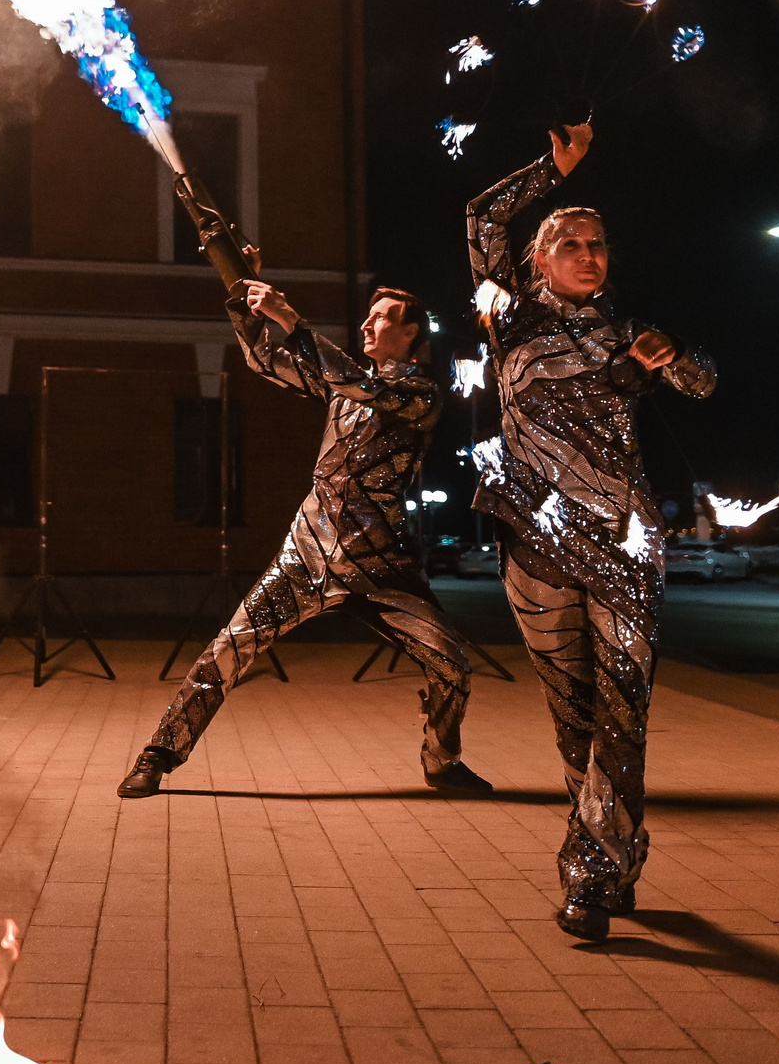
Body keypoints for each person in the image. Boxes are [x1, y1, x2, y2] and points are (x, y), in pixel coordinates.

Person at [467, 125, 717, 941]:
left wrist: (671, 349)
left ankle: (591, 874)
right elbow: (480, 217)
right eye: (568, 243)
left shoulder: (627, 331)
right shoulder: (505, 318)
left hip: (625, 542)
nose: (586, 253)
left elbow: (705, 380)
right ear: (537, 260)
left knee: (624, 709)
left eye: (597, 243)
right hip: (536, 542)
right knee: (574, 714)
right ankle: (617, 845)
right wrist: (552, 170)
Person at [119, 274, 496, 799]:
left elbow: (359, 384)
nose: (369, 322)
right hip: (308, 553)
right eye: (370, 314)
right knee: (229, 649)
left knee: (451, 663)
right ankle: (157, 755)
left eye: (384, 316)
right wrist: (241, 298)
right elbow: (265, 361)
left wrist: (291, 318)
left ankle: (442, 762)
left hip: (382, 566)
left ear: (411, 332)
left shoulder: (418, 394)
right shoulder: (344, 385)